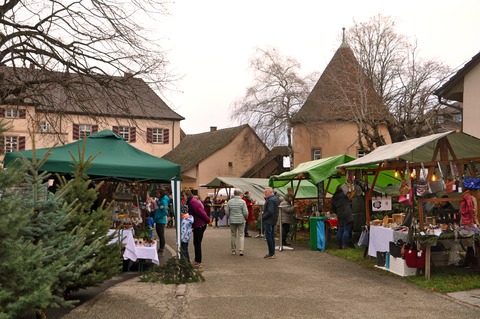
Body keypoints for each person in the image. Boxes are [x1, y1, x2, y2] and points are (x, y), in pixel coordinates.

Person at [183, 190, 210, 268]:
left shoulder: (192, 202)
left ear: (187, 195)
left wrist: (207, 220)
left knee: (197, 243)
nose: (183, 197)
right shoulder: (190, 202)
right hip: (197, 224)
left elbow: (201, 212)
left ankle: (198, 261)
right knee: (196, 243)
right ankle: (197, 260)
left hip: (200, 224)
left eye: (184, 195)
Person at [226, 189, 248, 256]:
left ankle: (233, 250)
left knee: (233, 235)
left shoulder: (229, 202)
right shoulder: (243, 202)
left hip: (232, 220)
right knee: (241, 235)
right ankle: (241, 250)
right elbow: (245, 212)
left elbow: (227, 212)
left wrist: (228, 218)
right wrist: (245, 217)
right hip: (241, 220)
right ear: (239, 194)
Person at [331, 184, 353, 249]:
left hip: (340, 214)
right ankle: (344, 245)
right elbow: (351, 198)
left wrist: (337, 212)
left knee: (340, 229)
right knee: (346, 229)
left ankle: (339, 244)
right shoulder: (344, 195)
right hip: (347, 213)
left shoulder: (334, 197)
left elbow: (333, 207)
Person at [262, 187, 279, 259]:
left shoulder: (271, 200)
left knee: (269, 237)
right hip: (273, 220)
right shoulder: (274, 198)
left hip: (269, 220)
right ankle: (272, 253)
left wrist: (263, 216)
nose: (264, 193)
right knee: (271, 236)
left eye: (265, 192)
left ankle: (271, 253)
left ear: (269, 192)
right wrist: (266, 199)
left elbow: (270, 211)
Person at [154, 189, 170, 257]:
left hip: (161, 220)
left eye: (157, 193)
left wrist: (158, 216)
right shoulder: (159, 201)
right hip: (158, 220)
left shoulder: (163, 201)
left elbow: (165, 211)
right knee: (159, 234)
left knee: (161, 235)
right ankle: (160, 248)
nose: (156, 195)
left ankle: (161, 249)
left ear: (161, 194)